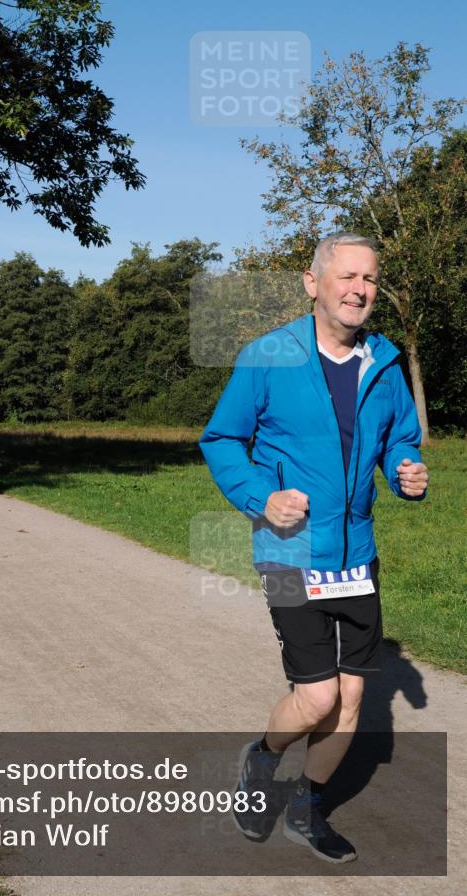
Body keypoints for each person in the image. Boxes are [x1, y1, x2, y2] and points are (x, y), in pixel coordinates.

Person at [199, 232, 429, 864]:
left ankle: (307, 805)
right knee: (318, 697)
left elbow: (398, 441)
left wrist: (407, 471)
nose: (360, 290)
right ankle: (262, 759)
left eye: (370, 280)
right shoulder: (268, 356)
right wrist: (258, 498)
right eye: (347, 277)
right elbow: (221, 439)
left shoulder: (382, 361)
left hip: (358, 556)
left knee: (352, 698)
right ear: (313, 283)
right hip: (289, 550)